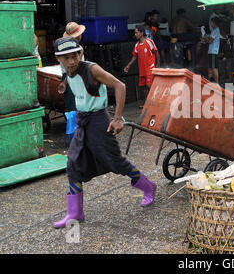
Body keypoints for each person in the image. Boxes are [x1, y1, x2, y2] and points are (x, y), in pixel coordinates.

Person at [52, 37, 157, 229]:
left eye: (75, 56)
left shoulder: (92, 69)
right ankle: (75, 213)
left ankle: (149, 187)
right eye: (66, 58)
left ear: (80, 54)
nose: (72, 61)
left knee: (116, 162)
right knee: (73, 164)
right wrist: (64, 85)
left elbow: (120, 86)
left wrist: (117, 118)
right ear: (59, 59)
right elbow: (71, 79)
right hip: (82, 120)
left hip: (99, 120)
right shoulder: (66, 71)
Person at [124, 25, 160, 107]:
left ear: (141, 33)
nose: (135, 34)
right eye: (135, 33)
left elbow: (156, 52)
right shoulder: (137, 45)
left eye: (136, 32)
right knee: (143, 87)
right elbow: (134, 56)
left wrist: (157, 65)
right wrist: (128, 65)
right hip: (142, 69)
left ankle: (154, 103)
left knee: (149, 85)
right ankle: (148, 103)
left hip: (150, 68)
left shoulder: (149, 42)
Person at [59, 22, 86, 112]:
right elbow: (73, 69)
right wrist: (65, 83)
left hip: (65, 77)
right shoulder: (79, 49)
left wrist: (63, 82)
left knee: (71, 108)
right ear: (78, 36)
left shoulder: (62, 47)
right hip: (75, 78)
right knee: (79, 107)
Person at [205, 17, 221, 84]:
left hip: (213, 51)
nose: (210, 24)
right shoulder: (214, 30)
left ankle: (217, 83)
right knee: (211, 67)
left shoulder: (216, 30)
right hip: (211, 51)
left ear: (214, 23)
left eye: (211, 22)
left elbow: (210, 41)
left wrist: (206, 39)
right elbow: (210, 39)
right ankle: (211, 81)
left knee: (214, 68)